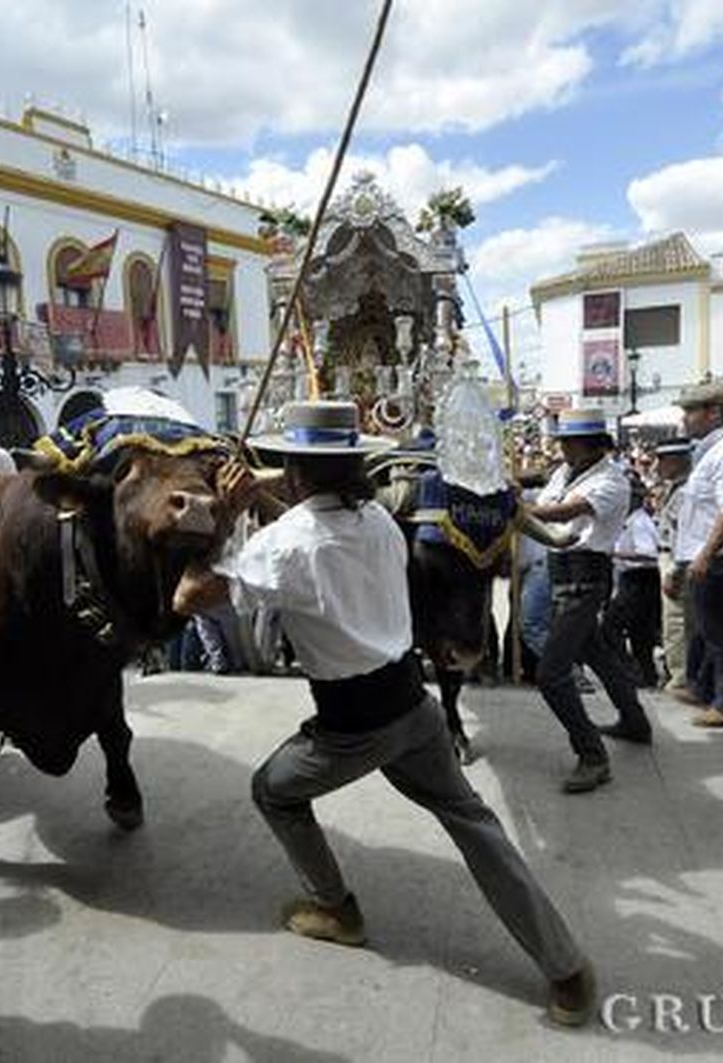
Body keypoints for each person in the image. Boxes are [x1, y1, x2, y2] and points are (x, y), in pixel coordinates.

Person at [173, 400, 596, 1028]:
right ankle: (567, 973)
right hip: (415, 709)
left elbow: (189, 596)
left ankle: (336, 910)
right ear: (352, 465)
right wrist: (264, 505)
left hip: (350, 729)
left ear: (291, 471)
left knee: (273, 792)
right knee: (478, 827)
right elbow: (313, 538)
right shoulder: (376, 519)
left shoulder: (283, 545)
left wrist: (225, 515)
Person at [526, 408, 653, 793]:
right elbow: (548, 496)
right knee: (598, 654)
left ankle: (592, 756)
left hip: (585, 578)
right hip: (562, 572)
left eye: (569, 440)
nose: (562, 447)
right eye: (562, 440)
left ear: (593, 445)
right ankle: (635, 722)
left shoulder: (611, 481)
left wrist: (515, 511)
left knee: (551, 674)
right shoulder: (566, 472)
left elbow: (566, 510)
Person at [672, 383, 723, 726]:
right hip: (705, 553)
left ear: (714, 413)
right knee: (706, 630)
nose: (686, 418)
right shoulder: (710, 452)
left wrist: (707, 553)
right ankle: (705, 688)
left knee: (722, 634)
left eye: (692, 411)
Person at [605, 479, 662, 688]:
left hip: (640, 579)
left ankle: (630, 670)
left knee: (611, 626)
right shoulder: (631, 520)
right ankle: (645, 674)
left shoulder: (639, 523)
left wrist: (615, 553)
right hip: (635, 579)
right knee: (640, 632)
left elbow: (649, 554)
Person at [653, 438, 694, 695]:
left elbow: (684, 534)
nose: (658, 466)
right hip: (668, 555)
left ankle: (681, 677)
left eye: (663, 460)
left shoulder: (685, 491)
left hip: (676, 558)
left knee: (676, 622)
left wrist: (676, 570)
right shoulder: (674, 488)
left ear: (678, 460)